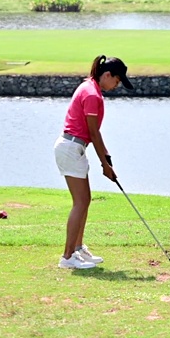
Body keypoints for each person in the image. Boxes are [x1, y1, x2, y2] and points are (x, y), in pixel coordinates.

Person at [54, 55, 134, 269]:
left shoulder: (90, 87)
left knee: (84, 201)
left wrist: (106, 158)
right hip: (71, 148)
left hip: (74, 148)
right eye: (116, 81)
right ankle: (67, 256)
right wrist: (104, 165)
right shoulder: (91, 94)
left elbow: (94, 135)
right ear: (107, 75)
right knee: (80, 202)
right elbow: (93, 132)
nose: (116, 86)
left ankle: (78, 249)